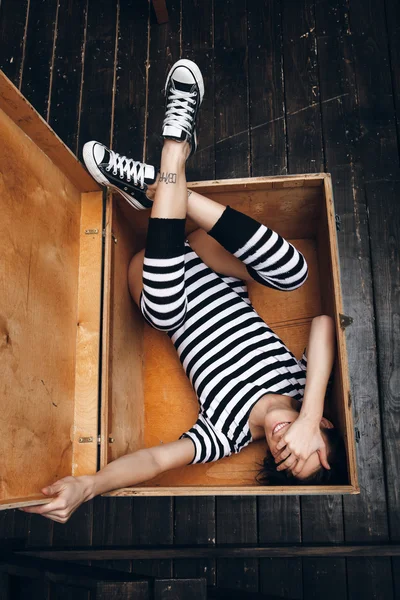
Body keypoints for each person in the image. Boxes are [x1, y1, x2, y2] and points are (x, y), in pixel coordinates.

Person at [20, 59, 346, 524]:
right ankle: (164, 191)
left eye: (284, 460)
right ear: (323, 426)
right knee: (293, 271)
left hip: (158, 278)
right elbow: (323, 323)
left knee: (167, 309)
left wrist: (87, 486)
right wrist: (310, 412)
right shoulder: (302, 383)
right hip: (209, 256)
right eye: (303, 447)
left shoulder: (227, 434)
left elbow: (154, 461)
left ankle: (173, 155)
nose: (284, 445)